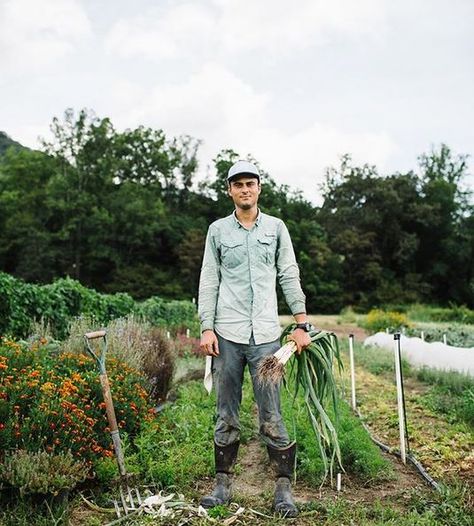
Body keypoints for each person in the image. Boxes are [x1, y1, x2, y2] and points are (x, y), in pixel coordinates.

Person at [198, 160, 312, 518]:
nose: (245, 189)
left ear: (259, 188)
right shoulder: (217, 231)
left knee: (272, 412)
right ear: (229, 190)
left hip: (265, 338)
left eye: (250, 183)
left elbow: (289, 274)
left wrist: (301, 324)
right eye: (238, 184)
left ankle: (283, 490)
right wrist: (206, 327)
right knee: (225, 410)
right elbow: (209, 279)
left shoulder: (277, 228)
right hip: (228, 335)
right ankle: (222, 485)